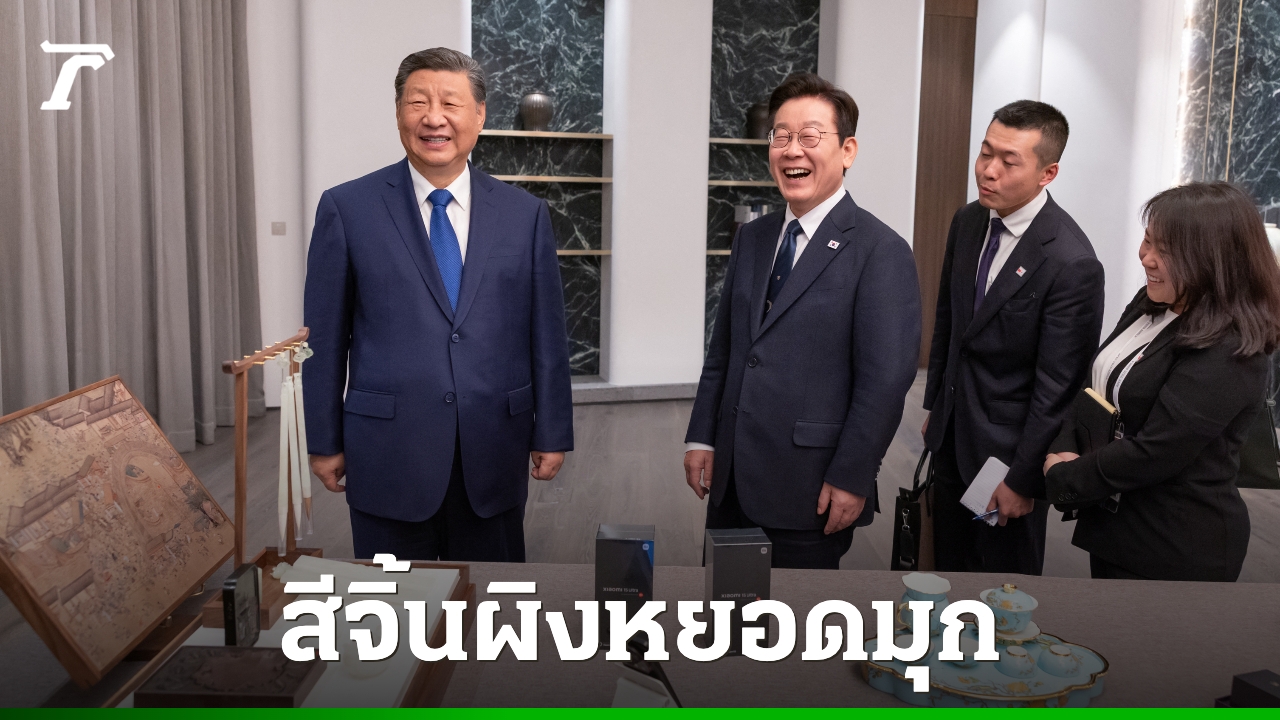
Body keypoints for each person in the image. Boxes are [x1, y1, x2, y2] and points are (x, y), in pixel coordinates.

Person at [303, 48, 574, 562]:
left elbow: (547, 335)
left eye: (450, 103)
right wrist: (323, 439)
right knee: (393, 603)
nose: (433, 118)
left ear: (480, 115)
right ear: (398, 113)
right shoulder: (348, 208)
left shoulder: (525, 214)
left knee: (490, 601)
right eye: (417, 102)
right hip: (387, 452)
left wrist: (553, 430)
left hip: (494, 448)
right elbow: (325, 338)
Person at [684, 73, 921, 570]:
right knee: (722, 610)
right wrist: (703, 435)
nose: (793, 150)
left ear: (848, 150)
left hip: (810, 485)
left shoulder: (880, 250)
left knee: (796, 616)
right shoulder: (753, 238)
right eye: (781, 136)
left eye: (810, 136)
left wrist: (853, 475)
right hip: (731, 478)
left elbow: (884, 382)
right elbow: (726, 349)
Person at [1044, 182, 1280, 581]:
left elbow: (1158, 450)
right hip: (1116, 526)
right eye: (1148, 241)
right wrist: (1065, 445)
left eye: (1166, 251)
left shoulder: (1231, 348)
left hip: (1175, 544)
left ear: (1212, 259)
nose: (1146, 258)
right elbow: (1096, 382)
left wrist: (1066, 477)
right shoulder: (1151, 301)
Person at [922, 100, 1105, 575]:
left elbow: (1059, 386)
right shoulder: (968, 221)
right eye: (986, 153)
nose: (988, 170)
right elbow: (950, 323)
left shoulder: (1071, 261)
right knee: (946, 572)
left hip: (1007, 454)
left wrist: (1023, 478)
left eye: (1009, 161)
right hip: (952, 433)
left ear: (1048, 173)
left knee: (1001, 588)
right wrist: (936, 406)